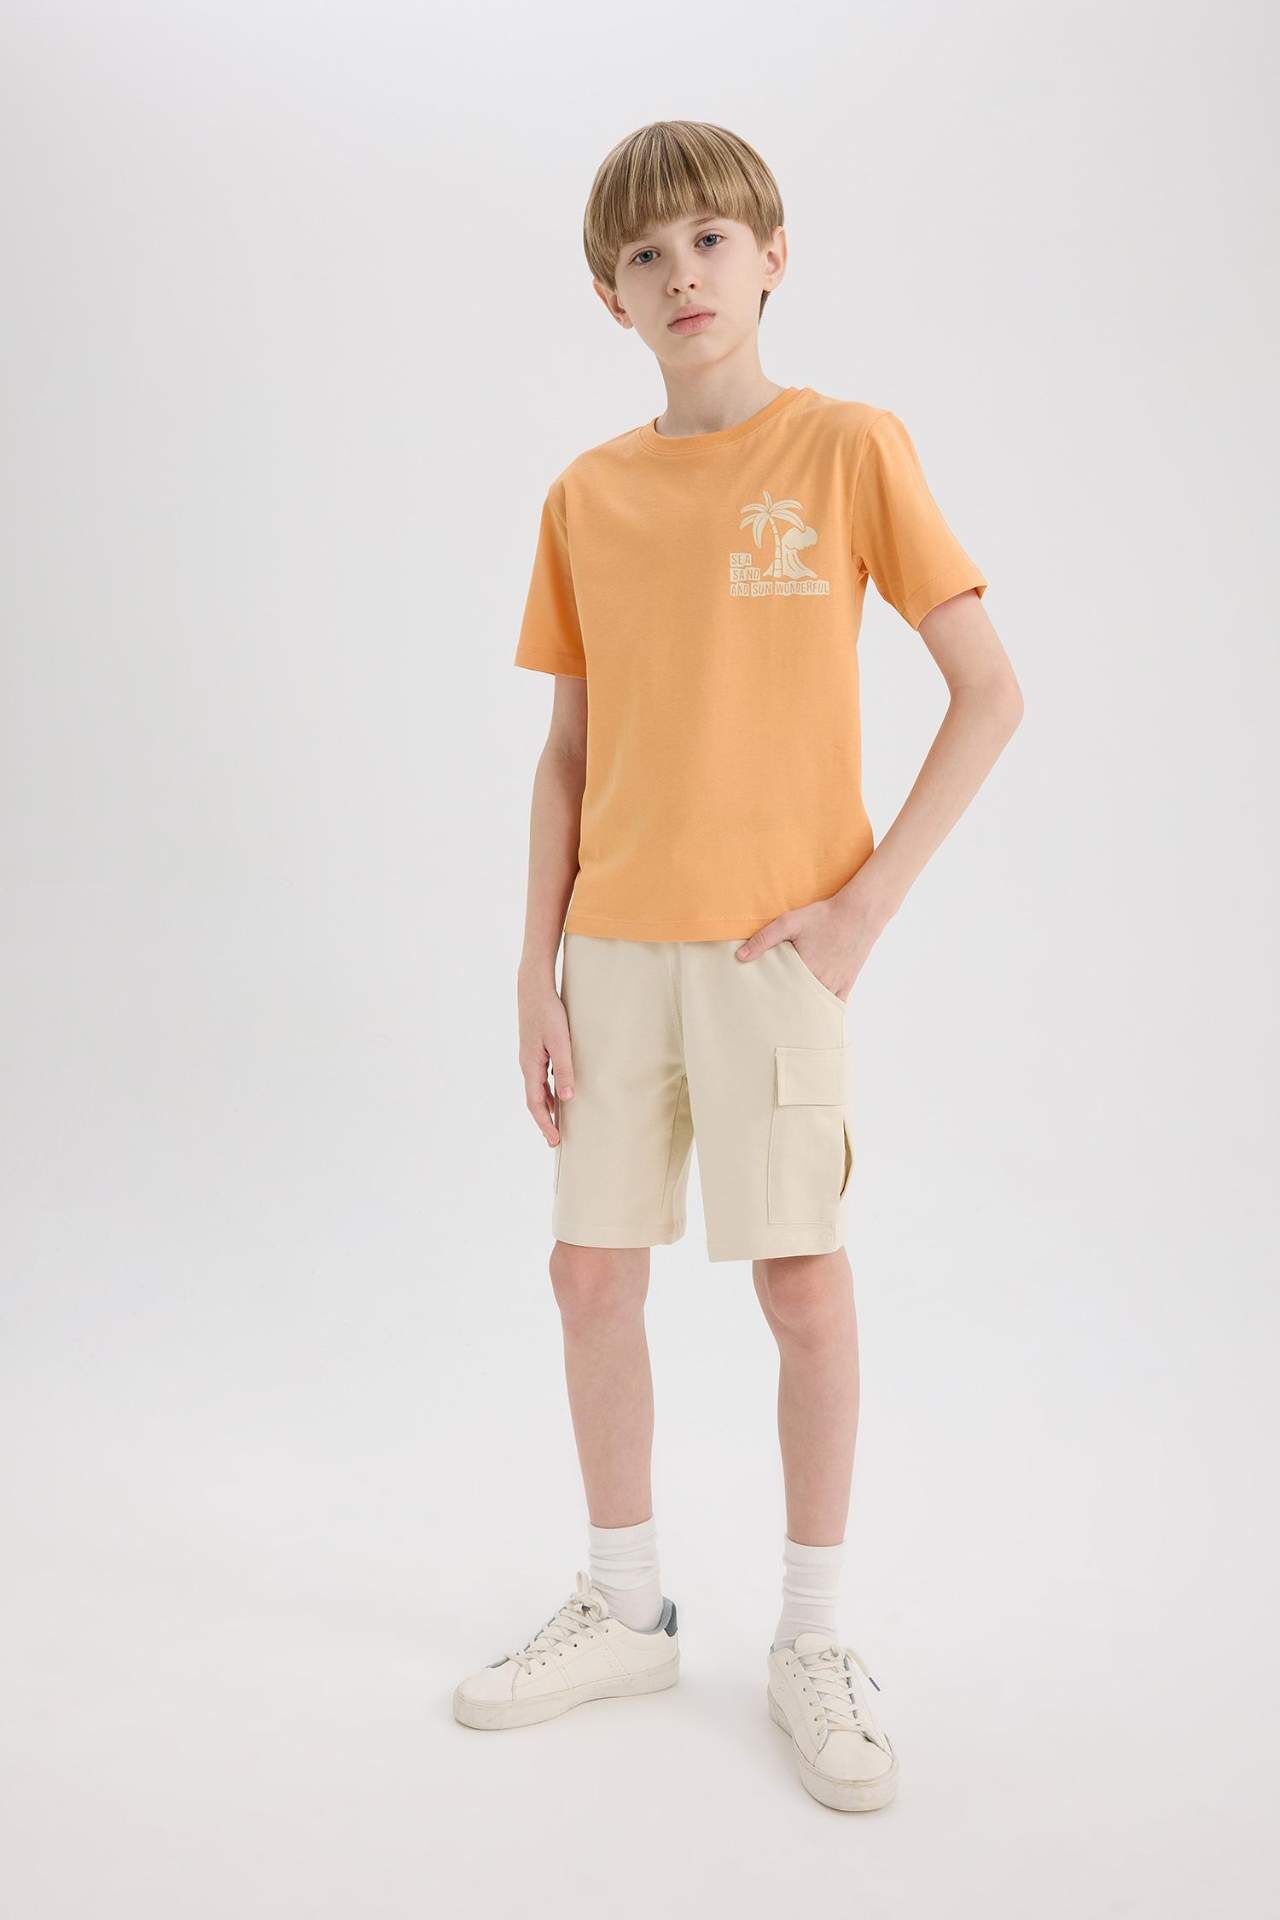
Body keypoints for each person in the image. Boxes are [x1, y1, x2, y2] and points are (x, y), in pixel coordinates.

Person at [452, 119, 1023, 1813]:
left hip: (778, 952)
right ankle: (625, 1605)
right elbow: (569, 753)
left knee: (802, 1286)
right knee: (589, 1275)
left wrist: (863, 911)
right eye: (645, 255)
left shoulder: (847, 449)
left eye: (709, 239)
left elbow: (989, 691)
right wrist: (536, 971)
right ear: (611, 297)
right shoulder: (588, 496)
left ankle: (815, 1637)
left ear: (773, 257)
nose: (681, 273)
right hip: (616, 948)